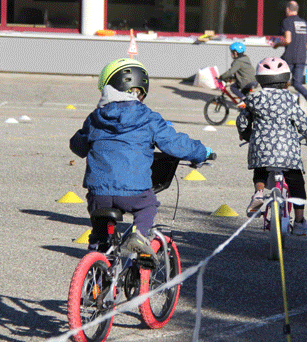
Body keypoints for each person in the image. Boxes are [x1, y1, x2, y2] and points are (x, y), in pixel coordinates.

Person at [70, 58, 214, 260]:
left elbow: (78, 146)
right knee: (148, 205)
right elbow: (175, 143)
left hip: (98, 193)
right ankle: (139, 235)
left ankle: (94, 272)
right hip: (134, 192)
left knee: (99, 238)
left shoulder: (95, 117)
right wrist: (202, 152)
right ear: (139, 90)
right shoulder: (148, 117)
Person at [236, 56, 307, 236]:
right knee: (296, 182)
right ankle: (300, 221)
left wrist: (248, 135)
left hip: (261, 148)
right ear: (286, 79)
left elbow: (242, 122)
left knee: (261, 170)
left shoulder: (253, 99)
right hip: (288, 152)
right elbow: (303, 123)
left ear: (260, 79)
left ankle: (258, 193)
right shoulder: (290, 99)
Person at [270, 0, 307, 118]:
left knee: (278, 80)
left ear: (288, 9)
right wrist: (302, 48)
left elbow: (287, 40)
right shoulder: (304, 23)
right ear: (297, 9)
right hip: (301, 57)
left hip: (289, 57)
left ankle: (275, 106)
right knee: (297, 83)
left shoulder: (287, 22)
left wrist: (276, 44)